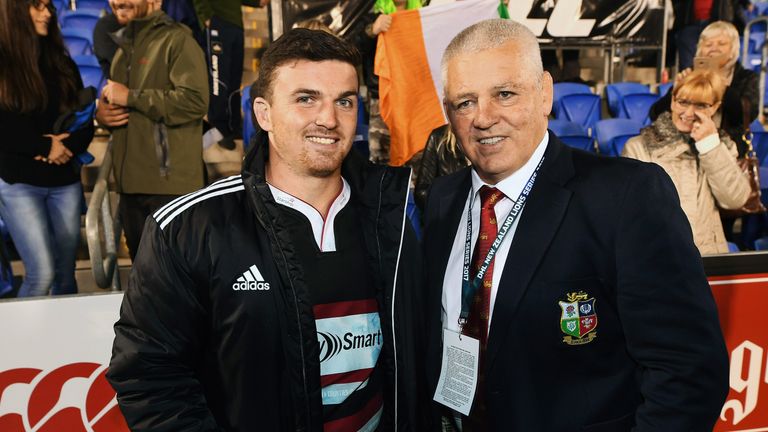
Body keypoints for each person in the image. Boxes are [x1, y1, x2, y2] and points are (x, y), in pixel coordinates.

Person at [107, 28, 427, 431]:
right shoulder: (189, 227)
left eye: (344, 101)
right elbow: (148, 376)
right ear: (264, 113)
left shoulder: (397, 214)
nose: (328, 119)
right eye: (306, 99)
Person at [422, 19, 729, 431]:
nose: (483, 117)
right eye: (464, 102)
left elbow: (689, 373)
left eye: (505, 94)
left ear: (545, 93)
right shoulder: (443, 200)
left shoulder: (626, 196)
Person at [95, 0, 209, 261]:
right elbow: (120, 103)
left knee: (177, 282)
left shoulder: (178, 39)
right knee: (145, 280)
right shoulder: (124, 46)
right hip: (130, 186)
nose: (117, 2)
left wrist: (132, 97)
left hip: (168, 188)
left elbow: (194, 102)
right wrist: (103, 115)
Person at [0, 0, 94, 297]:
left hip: (63, 180)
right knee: (41, 273)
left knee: (65, 276)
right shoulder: (3, 64)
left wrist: (63, 148)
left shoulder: (61, 62)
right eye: (37, 7)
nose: (47, 14)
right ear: (16, 12)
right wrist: (43, 145)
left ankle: (65, 343)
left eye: (49, 7)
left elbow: (84, 117)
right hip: (19, 182)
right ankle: (20, 344)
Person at [624, 70, 750, 254]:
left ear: (714, 107)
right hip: (660, 257)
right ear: (673, 101)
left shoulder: (720, 146)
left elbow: (735, 199)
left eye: (700, 105)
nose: (689, 112)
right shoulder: (638, 147)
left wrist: (710, 147)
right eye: (683, 102)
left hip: (709, 258)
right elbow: (632, 213)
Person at [651, 20, 759, 156]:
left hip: (729, 151)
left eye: (721, 43)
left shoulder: (747, 77)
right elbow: (655, 114)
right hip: (685, 149)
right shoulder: (690, 75)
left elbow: (745, 115)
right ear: (701, 50)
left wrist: (721, 85)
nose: (714, 48)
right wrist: (676, 90)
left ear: (732, 50)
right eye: (708, 44)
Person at [191, 0, 266, 150]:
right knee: (219, 79)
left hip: (236, 25)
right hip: (217, 22)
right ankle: (218, 127)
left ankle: (233, 127)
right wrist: (206, 16)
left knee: (234, 79)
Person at [413, 124, 467, 212]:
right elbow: (421, 192)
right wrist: (450, 206)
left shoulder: (489, 134)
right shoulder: (438, 137)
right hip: (449, 219)